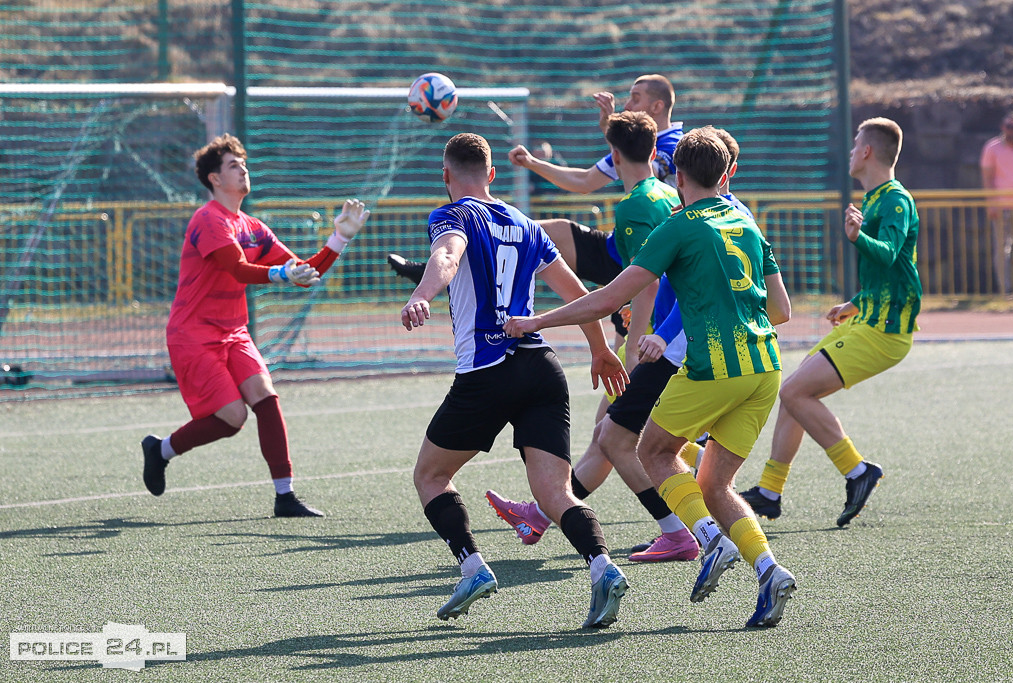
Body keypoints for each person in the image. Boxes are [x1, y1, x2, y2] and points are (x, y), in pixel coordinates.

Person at [504, 126, 797, 628]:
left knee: (650, 450)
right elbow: (781, 309)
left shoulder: (678, 226)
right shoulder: (749, 223)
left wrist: (536, 321)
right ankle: (769, 570)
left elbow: (609, 298)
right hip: (765, 368)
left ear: (677, 174)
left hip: (715, 368)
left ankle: (708, 541)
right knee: (717, 483)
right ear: (726, 174)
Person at [401, 132, 630, 628]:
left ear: (447, 177)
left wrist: (422, 293)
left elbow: (447, 255)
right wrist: (600, 348)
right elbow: (575, 290)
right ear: (493, 175)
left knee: (431, 476)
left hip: (488, 372)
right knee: (555, 493)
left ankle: (472, 566)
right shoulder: (525, 224)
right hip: (541, 368)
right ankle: (603, 567)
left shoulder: (453, 215)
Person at [140, 133, 369, 517]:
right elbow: (238, 269)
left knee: (266, 396)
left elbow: (303, 272)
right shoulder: (208, 219)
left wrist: (339, 238)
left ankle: (285, 496)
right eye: (233, 165)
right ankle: (160, 449)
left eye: (243, 163)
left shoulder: (254, 226)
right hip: (193, 335)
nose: (243, 169)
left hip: (234, 332)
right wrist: (283, 273)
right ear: (214, 178)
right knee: (233, 418)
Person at [740, 117, 921, 528]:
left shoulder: (894, 200)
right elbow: (891, 274)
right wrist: (854, 303)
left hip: (886, 331)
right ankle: (769, 491)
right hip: (869, 320)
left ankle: (858, 471)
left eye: (856, 142)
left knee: (795, 392)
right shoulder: (877, 199)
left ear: (867, 152)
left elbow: (890, 255)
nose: (852, 148)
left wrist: (860, 238)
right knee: (794, 392)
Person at [387, 74, 683, 295]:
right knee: (531, 234)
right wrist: (532, 162)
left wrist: (611, 128)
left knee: (635, 345)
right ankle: (438, 273)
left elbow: (644, 176)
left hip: (658, 256)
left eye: (635, 98)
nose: (627, 104)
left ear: (657, 106)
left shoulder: (673, 146)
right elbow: (584, 181)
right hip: (622, 245)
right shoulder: (640, 145)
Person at [980, 111, 1013, 294]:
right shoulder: (992, 148)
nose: (1012, 130)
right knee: (1002, 250)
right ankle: (1005, 291)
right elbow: (988, 178)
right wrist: (992, 204)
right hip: (1002, 206)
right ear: (1002, 128)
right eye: (1009, 126)